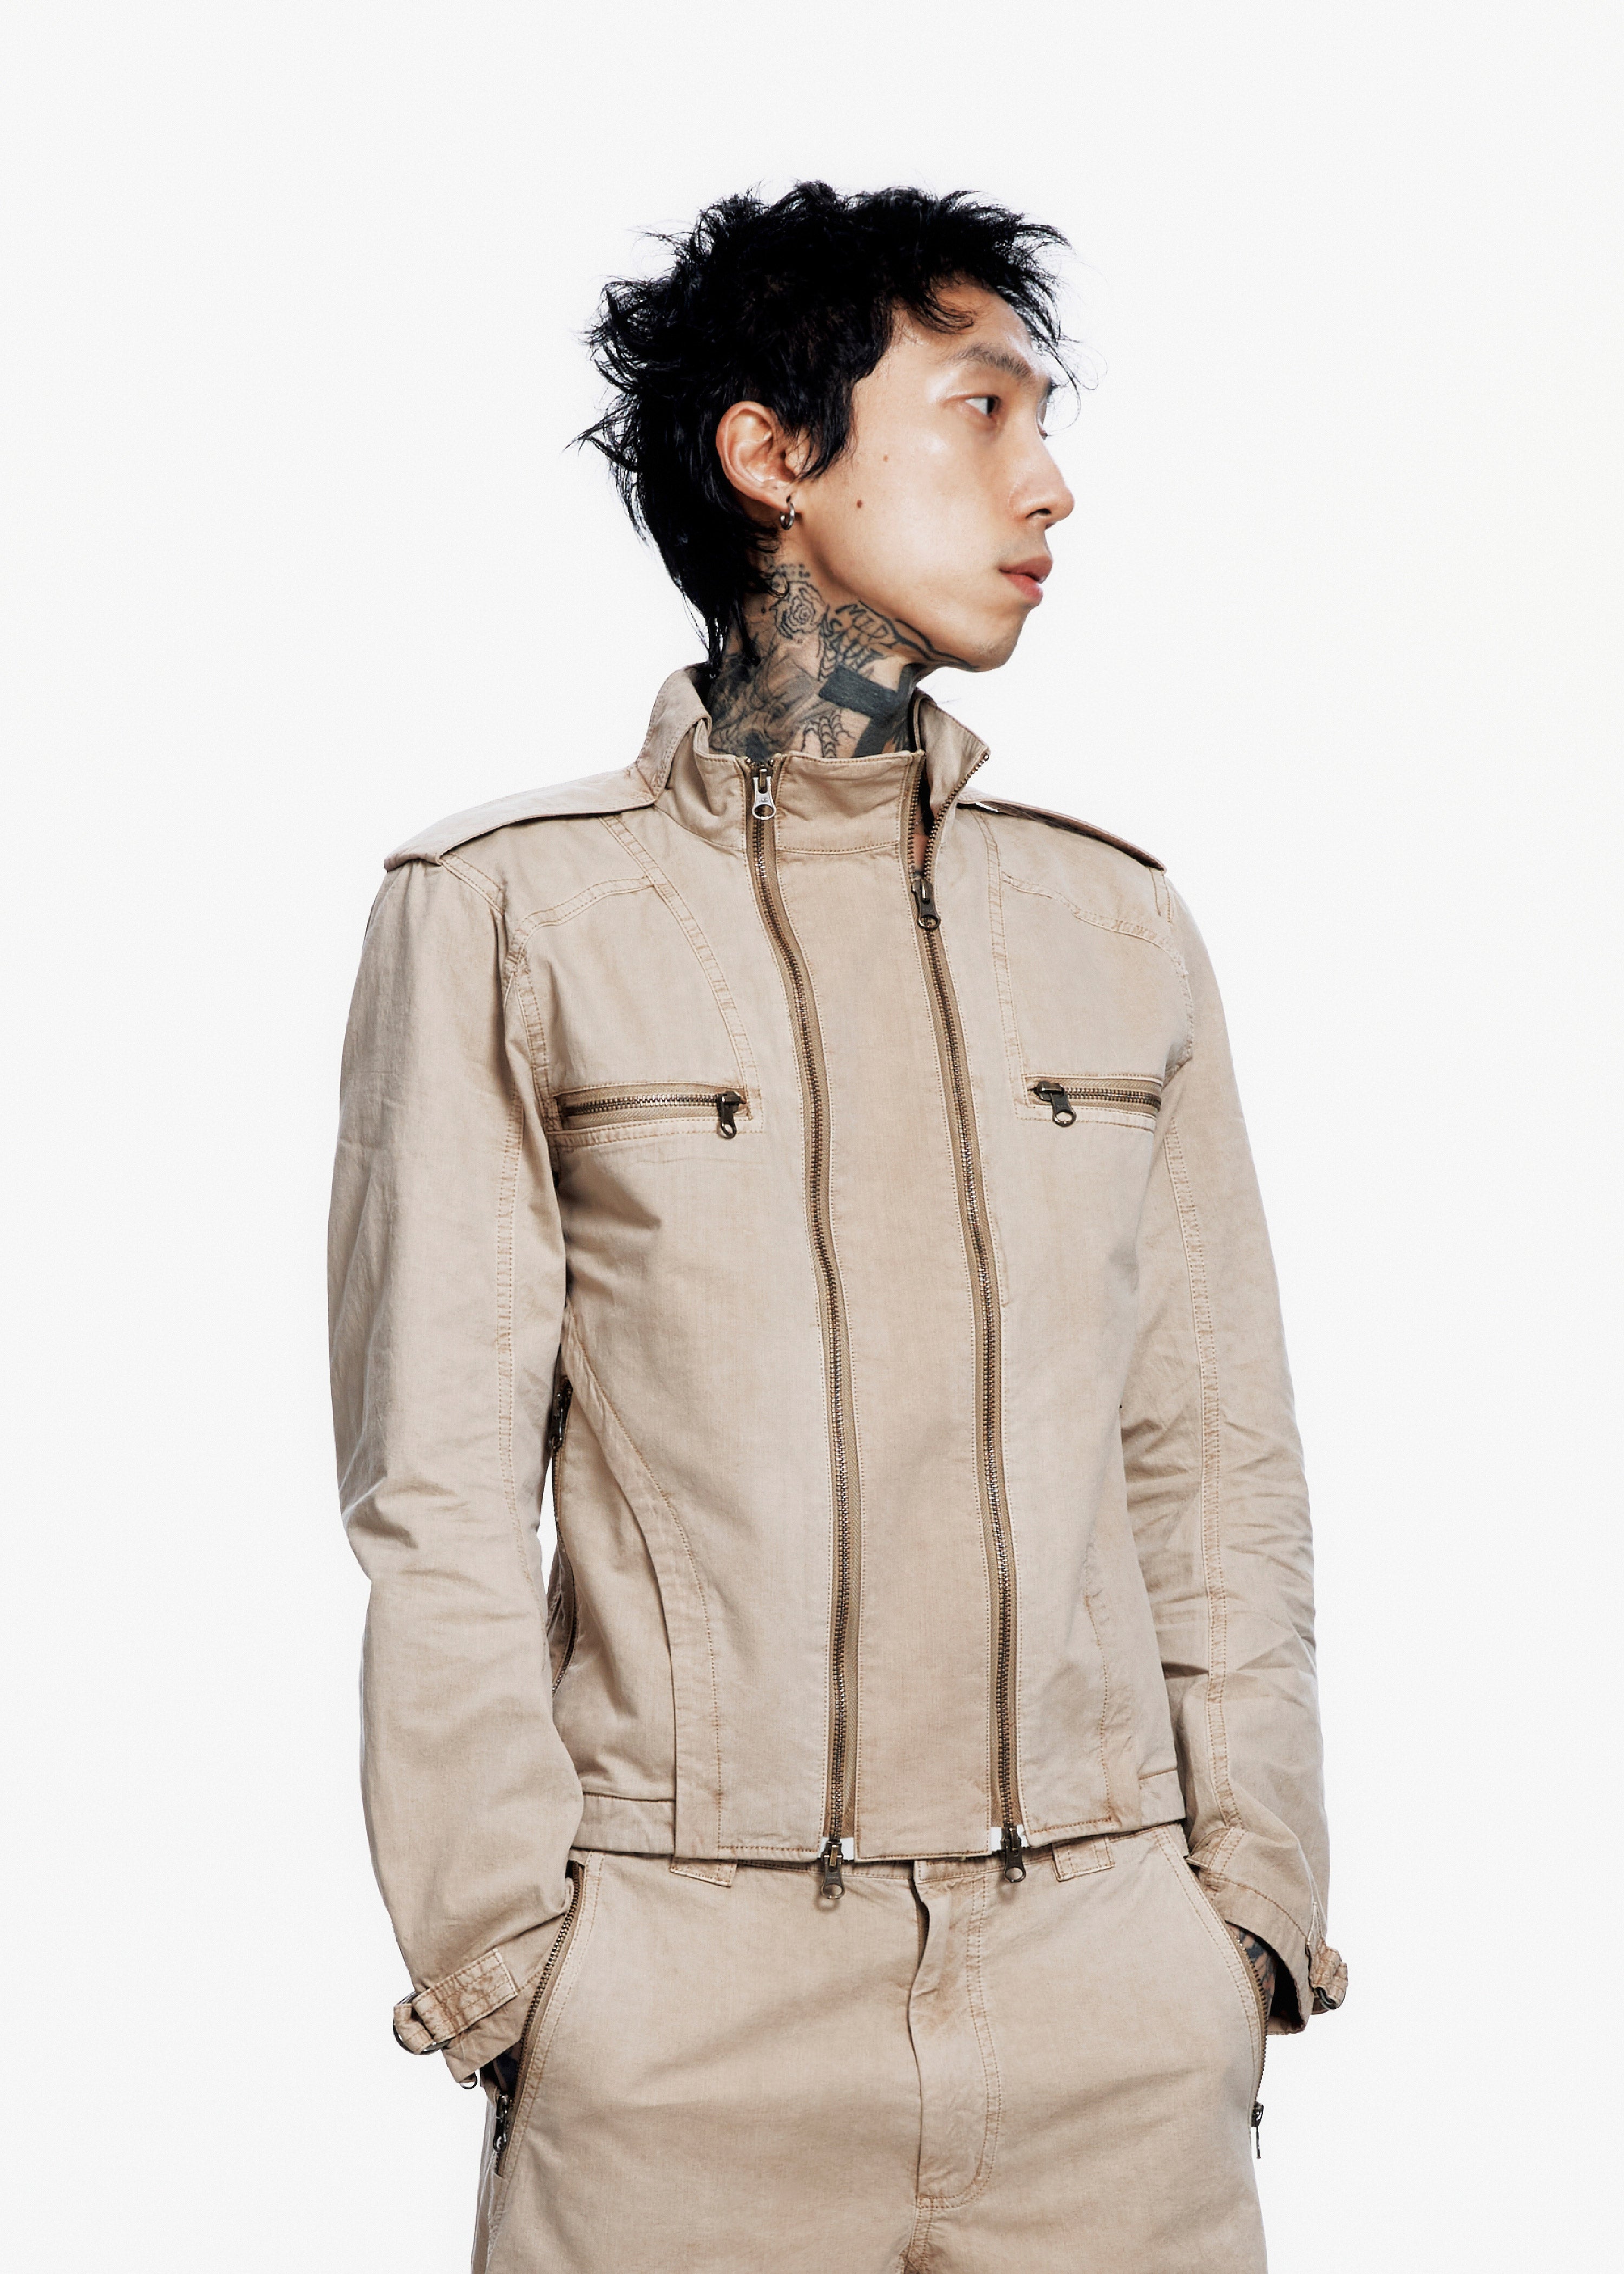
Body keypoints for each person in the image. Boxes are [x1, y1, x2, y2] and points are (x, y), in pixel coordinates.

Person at [328, 181, 1345, 2274]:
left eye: (1043, 421)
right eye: (980, 411)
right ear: (771, 454)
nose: (1048, 484)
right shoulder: (510, 912)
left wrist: (1243, 1918)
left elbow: (1217, 1462)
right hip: (678, 2020)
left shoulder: (1114, 922)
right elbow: (434, 1491)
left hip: (1113, 2010)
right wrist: (520, 1972)